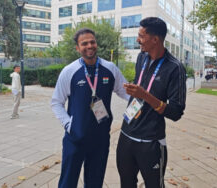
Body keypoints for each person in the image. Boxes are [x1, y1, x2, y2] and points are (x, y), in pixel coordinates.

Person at [51, 28, 129, 188]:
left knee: (95, 183)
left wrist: (134, 111)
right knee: (67, 182)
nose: (89, 46)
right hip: (75, 139)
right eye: (84, 43)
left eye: (92, 42)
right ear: (77, 48)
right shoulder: (70, 71)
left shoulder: (110, 68)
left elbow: (128, 93)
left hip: (100, 139)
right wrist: (68, 124)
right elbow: (56, 102)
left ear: (96, 44)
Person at [116, 17, 186, 188]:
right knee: (126, 183)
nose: (137, 40)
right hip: (126, 135)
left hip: (151, 142)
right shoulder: (142, 57)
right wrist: (135, 91)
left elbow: (176, 112)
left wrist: (145, 95)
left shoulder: (175, 68)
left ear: (155, 39)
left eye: (141, 36)